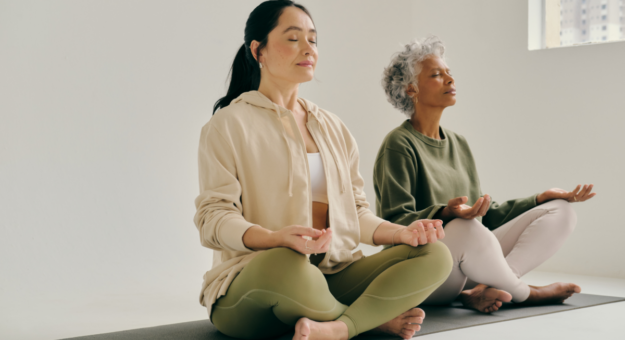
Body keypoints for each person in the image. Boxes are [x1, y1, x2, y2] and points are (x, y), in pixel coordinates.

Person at [194, 3, 453, 340]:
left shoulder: (333, 127)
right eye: (293, 38)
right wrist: (274, 238)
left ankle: (336, 327)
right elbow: (213, 218)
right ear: (258, 50)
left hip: (332, 276)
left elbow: (356, 214)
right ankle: (368, 320)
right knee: (285, 262)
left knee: (435, 254)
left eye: (313, 40)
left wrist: (400, 233)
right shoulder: (227, 125)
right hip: (253, 286)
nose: (308, 49)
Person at [374, 36, 595, 313]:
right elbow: (394, 222)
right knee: (466, 227)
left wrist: (540, 198)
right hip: (424, 270)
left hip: (468, 262)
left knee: (561, 211)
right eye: (436, 75)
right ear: (411, 90)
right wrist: (446, 213)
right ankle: (525, 293)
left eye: (449, 73)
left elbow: (484, 215)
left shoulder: (459, 143)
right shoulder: (398, 144)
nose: (450, 80)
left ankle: (491, 288)